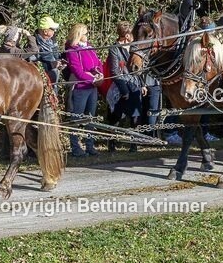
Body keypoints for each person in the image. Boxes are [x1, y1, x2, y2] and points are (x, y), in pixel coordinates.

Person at [64, 23, 103, 157]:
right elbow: (77, 70)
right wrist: (92, 78)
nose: (87, 35)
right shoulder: (72, 50)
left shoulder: (89, 47)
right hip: (80, 88)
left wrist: (99, 74)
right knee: (77, 118)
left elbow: (97, 63)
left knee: (90, 118)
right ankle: (75, 147)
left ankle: (90, 145)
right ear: (78, 35)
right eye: (85, 33)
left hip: (92, 87)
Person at [106, 21, 142, 153]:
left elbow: (139, 68)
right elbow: (115, 71)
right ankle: (112, 143)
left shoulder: (134, 47)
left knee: (135, 116)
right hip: (121, 86)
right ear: (127, 35)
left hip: (135, 84)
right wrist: (124, 90)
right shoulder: (115, 49)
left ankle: (134, 144)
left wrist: (141, 84)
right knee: (117, 117)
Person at [26, 16, 63, 84]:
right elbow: (32, 65)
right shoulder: (34, 45)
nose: (54, 31)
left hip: (54, 81)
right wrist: (51, 65)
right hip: (41, 83)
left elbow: (56, 56)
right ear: (45, 31)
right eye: (53, 29)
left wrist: (61, 61)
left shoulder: (52, 41)